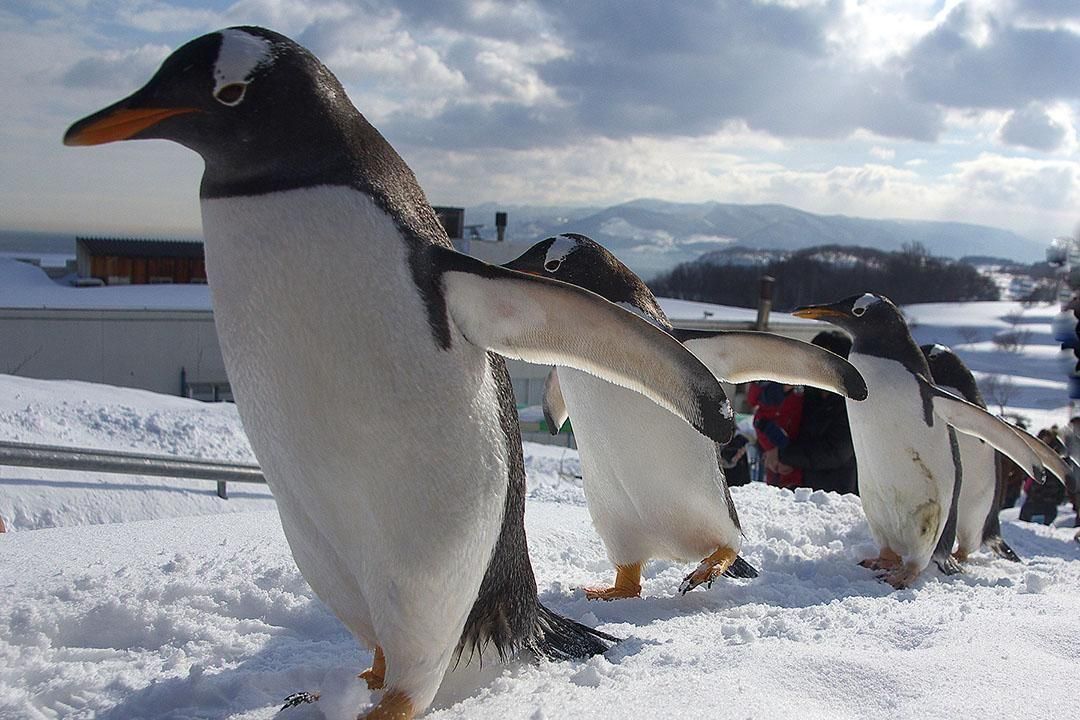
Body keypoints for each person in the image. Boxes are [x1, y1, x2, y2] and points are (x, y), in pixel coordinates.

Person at [774, 331, 859, 494]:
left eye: (823, 359)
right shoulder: (806, 395)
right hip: (798, 489)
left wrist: (784, 455)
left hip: (836, 494)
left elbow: (836, 452)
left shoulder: (851, 403)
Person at [748, 380, 804, 488]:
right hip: (777, 455)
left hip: (801, 454)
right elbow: (753, 403)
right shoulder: (767, 386)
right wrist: (773, 451)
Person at [1018, 428, 1067, 525]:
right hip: (1034, 497)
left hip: (1049, 499)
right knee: (1025, 523)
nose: (1045, 441)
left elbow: (1061, 480)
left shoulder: (1056, 456)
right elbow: (1027, 475)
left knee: (1043, 523)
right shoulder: (1034, 453)